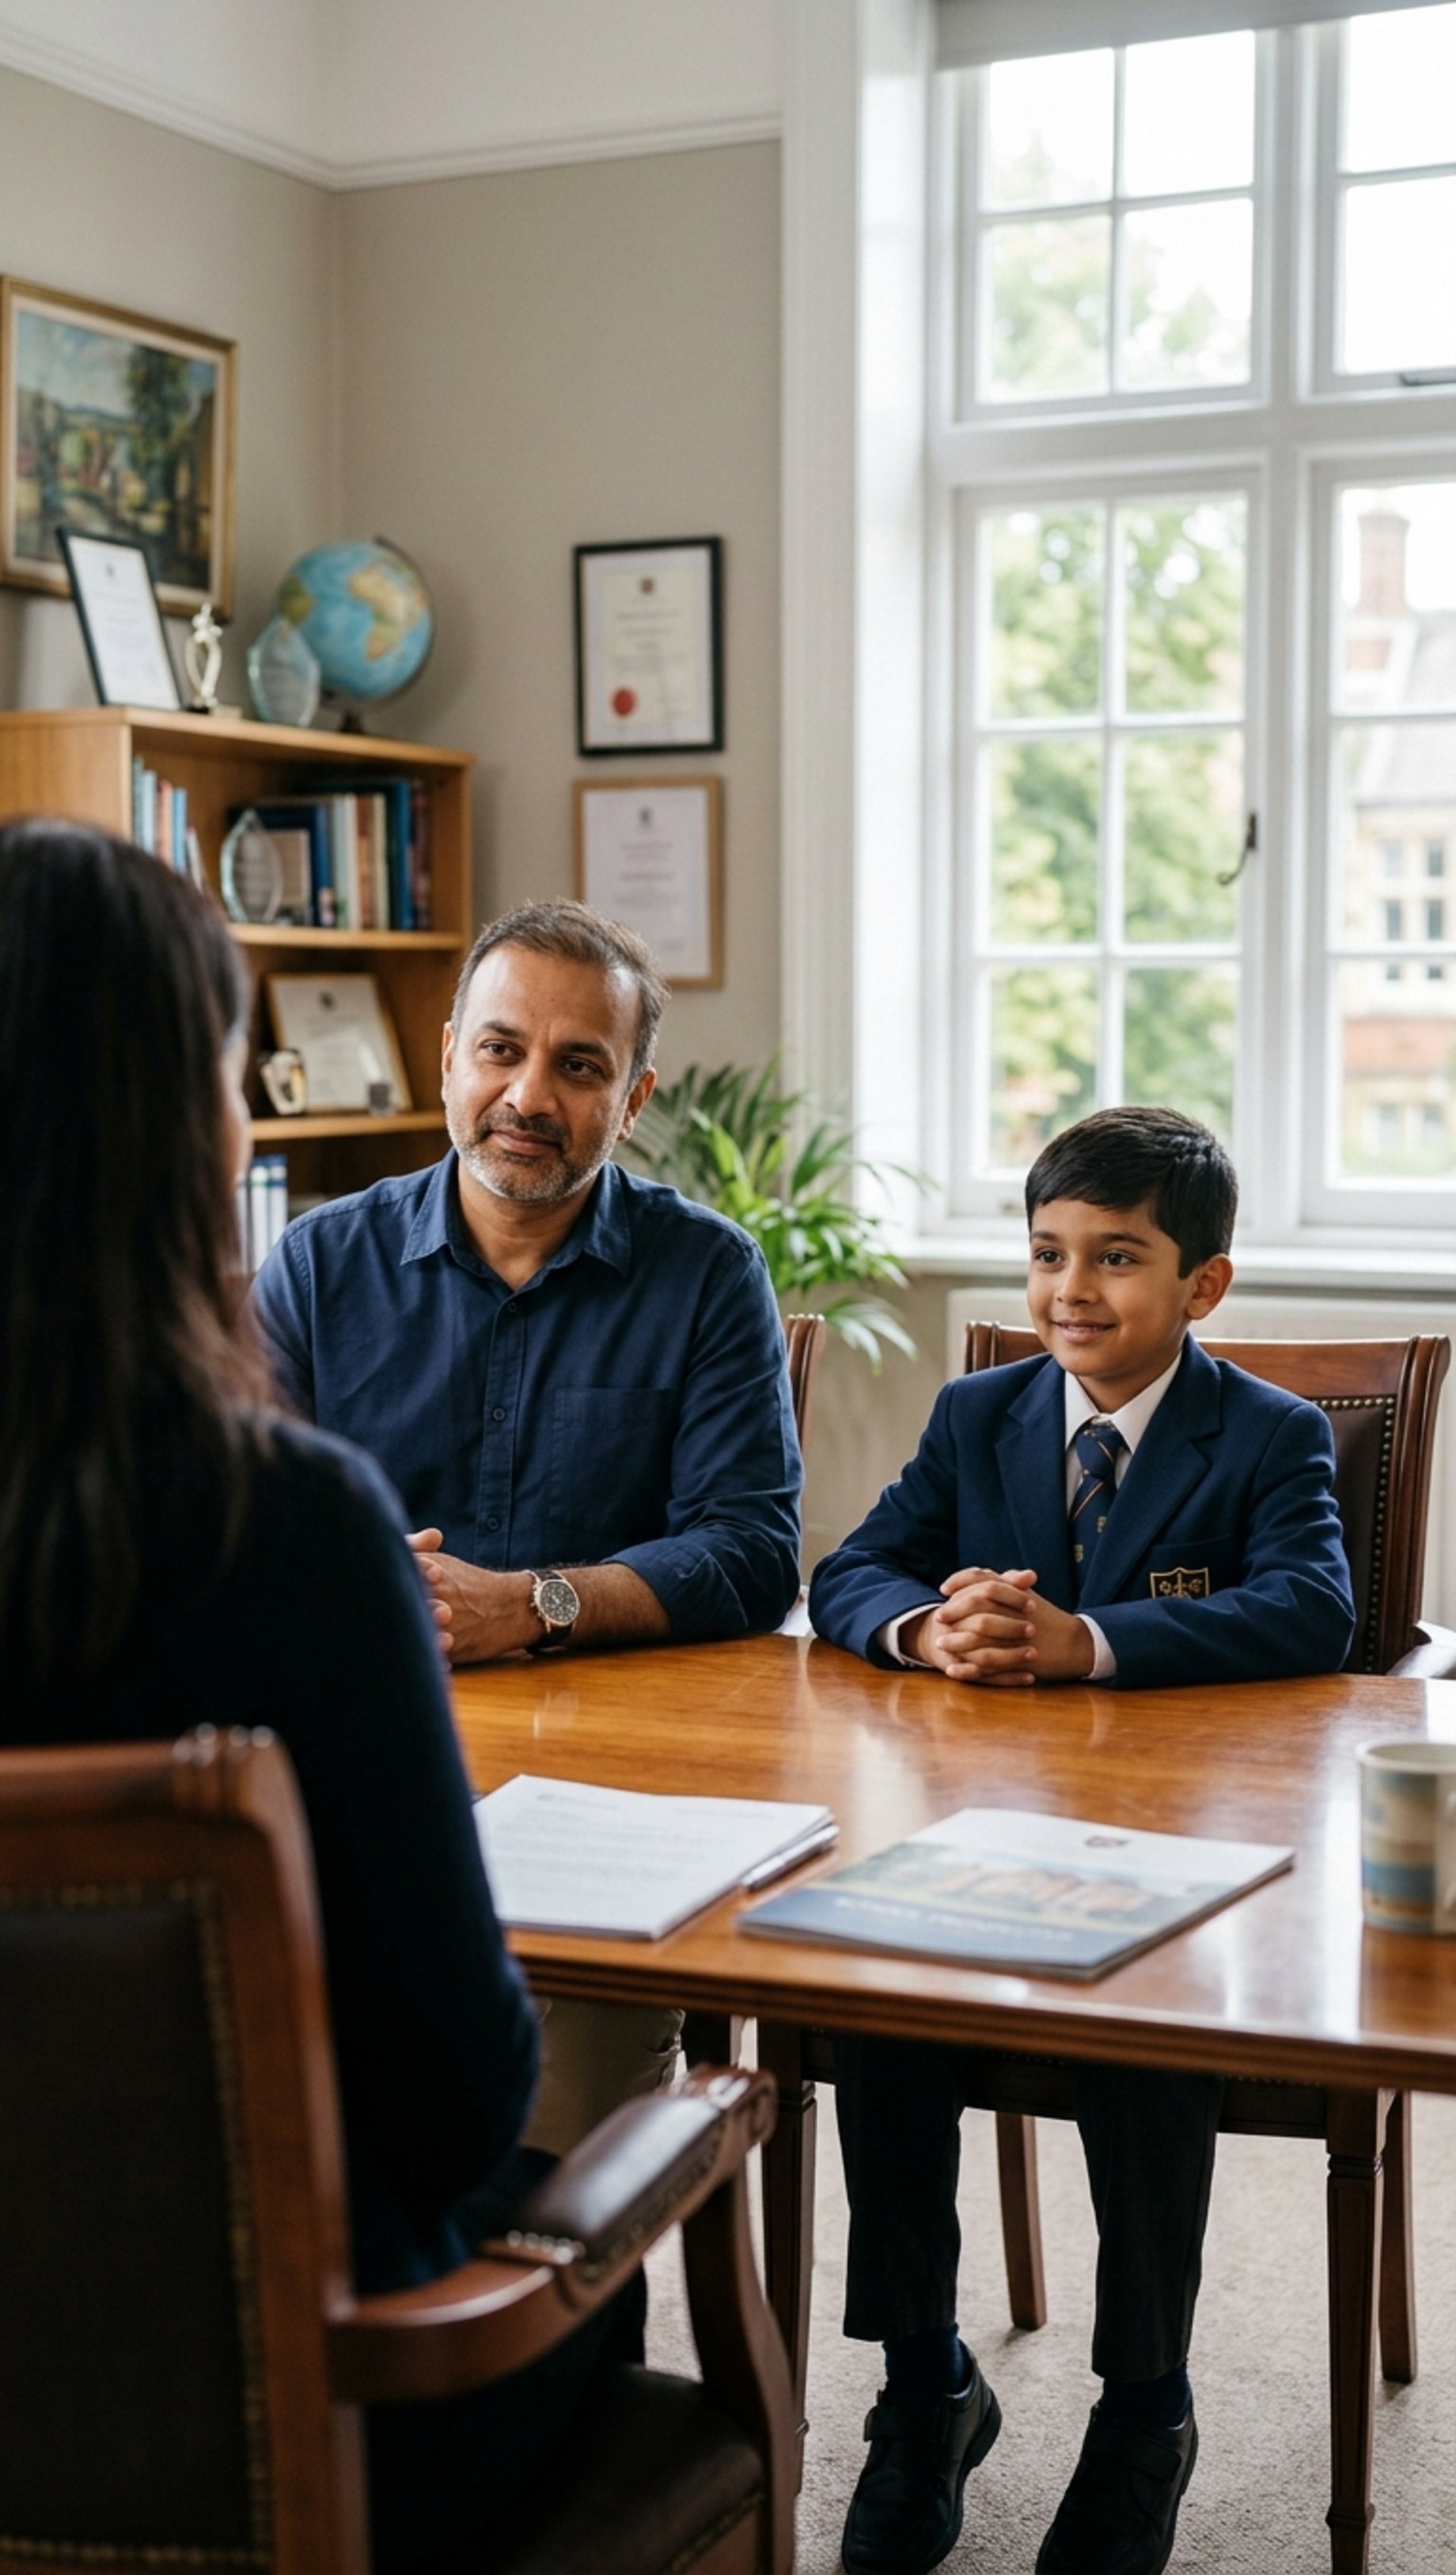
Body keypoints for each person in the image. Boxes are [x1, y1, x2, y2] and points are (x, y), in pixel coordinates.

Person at [0, 820, 635, 2571]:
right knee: (614, 2253)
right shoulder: (279, 1525)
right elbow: (454, 2091)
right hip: (300, 2415)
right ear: (186, 1130)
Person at [809, 1107, 1356, 2575]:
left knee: (1146, 2029)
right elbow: (847, 1570)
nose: (1072, 1291)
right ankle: (924, 2387)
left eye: (1118, 1258)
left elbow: (1316, 1609)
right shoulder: (977, 1415)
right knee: (876, 1998)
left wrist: (1092, 1642)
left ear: (1205, 1285)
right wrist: (926, 1627)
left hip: (1178, 1857)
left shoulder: (1270, 1432)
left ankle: (1146, 2409)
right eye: (1050, 1254)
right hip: (976, 1844)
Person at [251, 897, 802, 2143]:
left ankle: (554, 2321)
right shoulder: (315, 1267)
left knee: (544, 2149)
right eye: (502, 1049)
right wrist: (348, 1580)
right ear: (448, 1053)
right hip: (366, 1765)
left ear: (636, 1096)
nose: (529, 1095)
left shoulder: (708, 1274)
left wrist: (535, 1604)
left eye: (579, 1065)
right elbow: (233, 1537)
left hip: (621, 1802)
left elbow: (754, 1551)